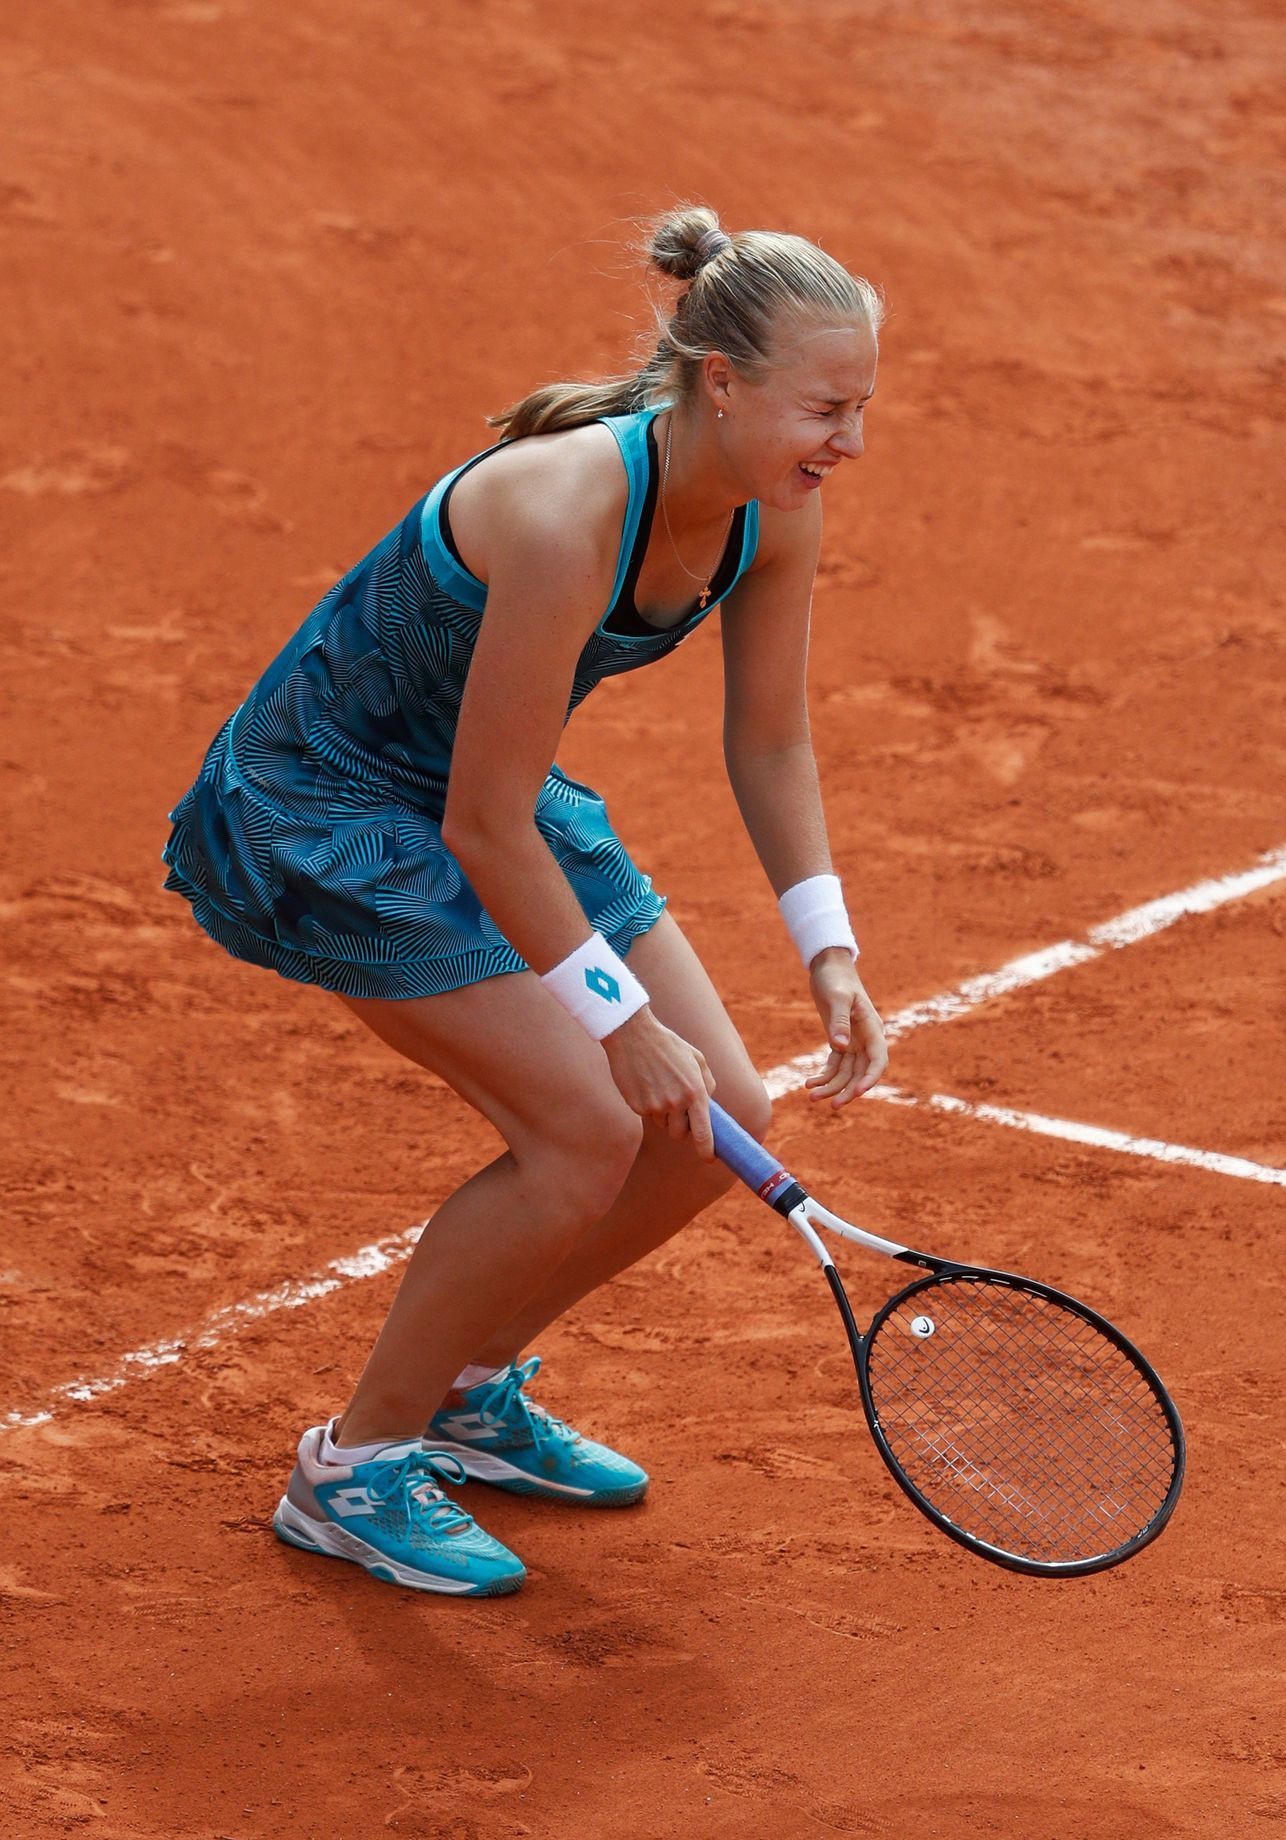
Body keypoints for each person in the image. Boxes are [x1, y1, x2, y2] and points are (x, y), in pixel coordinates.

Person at [161, 205, 890, 1597]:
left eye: (861, 409)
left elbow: (771, 741)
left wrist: (829, 947)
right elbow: (479, 823)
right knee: (585, 1130)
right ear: (721, 383)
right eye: (828, 408)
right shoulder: (569, 514)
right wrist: (614, 1015)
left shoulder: (766, 512)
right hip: (327, 807)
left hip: (476, 790)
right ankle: (354, 1465)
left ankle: (462, 1390)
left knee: (718, 1116)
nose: (848, 443)